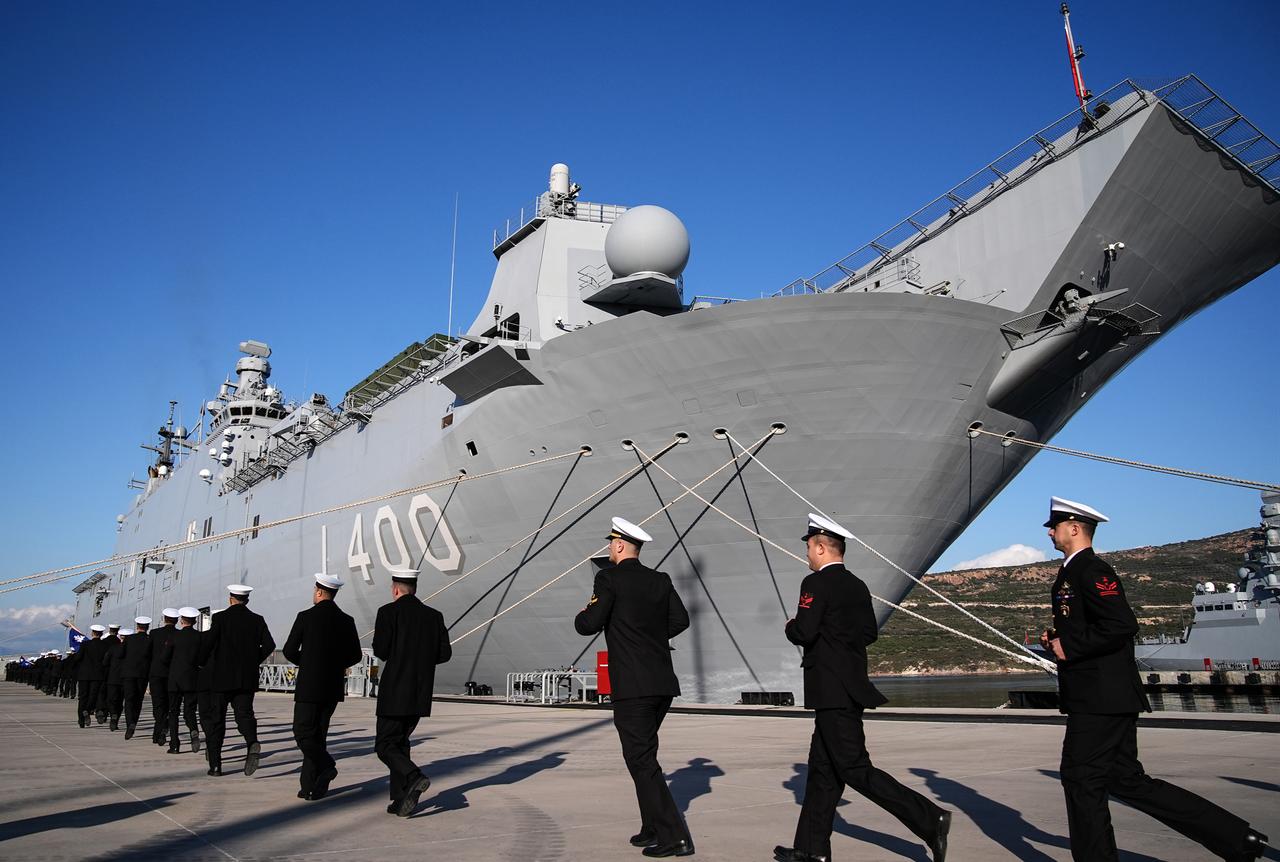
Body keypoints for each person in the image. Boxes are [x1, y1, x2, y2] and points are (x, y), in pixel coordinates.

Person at [1039, 497, 1269, 862]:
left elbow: (1121, 625)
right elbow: (1093, 625)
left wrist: (1072, 645)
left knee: (1081, 780)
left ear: (1074, 528)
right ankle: (1236, 838)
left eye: (1054, 525)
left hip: (1100, 698)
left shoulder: (1092, 570)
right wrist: (1057, 640)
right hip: (1104, 695)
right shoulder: (1072, 571)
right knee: (1126, 780)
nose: (1049, 531)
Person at [774, 514, 950, 862]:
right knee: (823, 771)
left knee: (854, 768)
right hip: (850, 686)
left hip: (830, 688)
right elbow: (869, 633)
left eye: (809, 547)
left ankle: (930, 819)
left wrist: (791, 626)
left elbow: (804, 632)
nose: (808, 554)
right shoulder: (857, 585)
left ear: (822, 548)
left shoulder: (814, 584)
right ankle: (812, 850)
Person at [575, 517, 693, 858]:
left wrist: (582, 615)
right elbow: (680, 620)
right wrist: (651, 637)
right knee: (645, 755)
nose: (610, 547)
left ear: (620, 545)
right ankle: (652, 826)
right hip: (662, 683)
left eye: (612, 542)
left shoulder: (607, 578)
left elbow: (590, 624)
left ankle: (675, 837)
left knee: (640, 759)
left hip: (633, 684)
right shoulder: (660, 580)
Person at [372, 569, 452, 817]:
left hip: (394, 690)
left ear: (395, 589)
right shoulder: (434, 616)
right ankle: (400, 798)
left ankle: (414, 776)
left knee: (384, 745)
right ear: (414, 589)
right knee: (401, 744)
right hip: (419, 693)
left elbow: (381, 650)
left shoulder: (387, 612)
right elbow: (444, 654)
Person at [282, 573, 364, 801]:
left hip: (309, 685)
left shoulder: (305, 617)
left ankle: (326, 766)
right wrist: (335, 666)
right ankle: (312, 786)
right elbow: (356, 655)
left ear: (319, 592)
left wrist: (308, 663)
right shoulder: (347, 620)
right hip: (332, 686)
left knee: (302, 732)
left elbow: (289, 651)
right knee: (319, 734)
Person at [201, 584, 276, 777]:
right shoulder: (257, 620)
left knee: (217, 719)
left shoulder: (220, 618)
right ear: (247, 600)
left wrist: (200, 663)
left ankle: (216, 766)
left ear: (230, 599)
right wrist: (253, 660)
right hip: (245, 678)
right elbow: (270, 645)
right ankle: (252, 742)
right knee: (244, 714)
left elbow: (209, 643)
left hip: (221, 678)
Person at [165, 607, 204, 755]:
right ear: (195, 621)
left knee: (173, 712)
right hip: (192, 679)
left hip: (175, 679)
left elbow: (164, 657)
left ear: (181, 620)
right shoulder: (200, 637)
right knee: (190, 711)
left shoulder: (174, 636)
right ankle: (193, 730)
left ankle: (174, 745)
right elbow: (202, 658)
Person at [148, 609, 179, 746]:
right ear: (177, 620)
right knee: (170, 705)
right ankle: (161, 729)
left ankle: (160, 729)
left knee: (158, 704)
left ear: (164, 618)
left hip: (156, 674)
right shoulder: (179, 634)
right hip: (173, 674)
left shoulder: (154, 633)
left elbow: (148, 654)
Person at [70, 624, 109, 728]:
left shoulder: (85, 645)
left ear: (92, 633)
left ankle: (81, 720)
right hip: (98, 675)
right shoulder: (105, 646)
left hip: (84, 675)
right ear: (101, 634)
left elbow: (77, 658)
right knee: (93, 695)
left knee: (83, 697)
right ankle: (88, 710)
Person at [120, 617, 152, 739]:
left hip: (128, 673)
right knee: (138, 700)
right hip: (143, 674)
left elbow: (121, 654)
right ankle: (134, 721)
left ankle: (130, 724)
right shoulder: (150, 639)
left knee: (128, 700)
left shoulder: (129, 639)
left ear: (137, 626)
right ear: (147, 627)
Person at [102, 629, 131, 731]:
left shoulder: (113, 648)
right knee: (121, 701)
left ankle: (113, 713)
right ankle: (116, 718)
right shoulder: (132, 650)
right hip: (126, 678)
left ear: (120, 636)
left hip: (113, 678)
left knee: (111, 699)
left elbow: (105, 662)